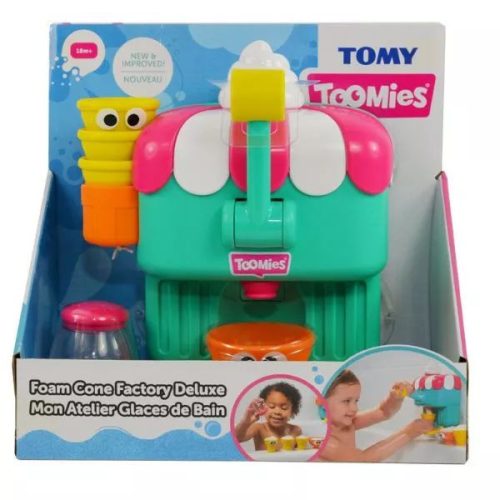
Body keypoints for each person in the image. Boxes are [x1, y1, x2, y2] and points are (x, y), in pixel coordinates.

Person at [318, 369, 433, 462]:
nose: (354, 408)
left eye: (356, 401)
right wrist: (410, 433)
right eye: (346, 401)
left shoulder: (347, 423)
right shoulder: (325, 443)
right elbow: (363, 461)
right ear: (322, 404)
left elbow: (383, 412)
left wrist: (395, 398)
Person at [235, 381, 303, 451]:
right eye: (271, 406)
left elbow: (299, 453)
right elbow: (236, 439)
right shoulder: (259, 428)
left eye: (284, 408)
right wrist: (245, 422)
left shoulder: (296, 430)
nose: (277, 412)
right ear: (262, 407)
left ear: (293, 411)